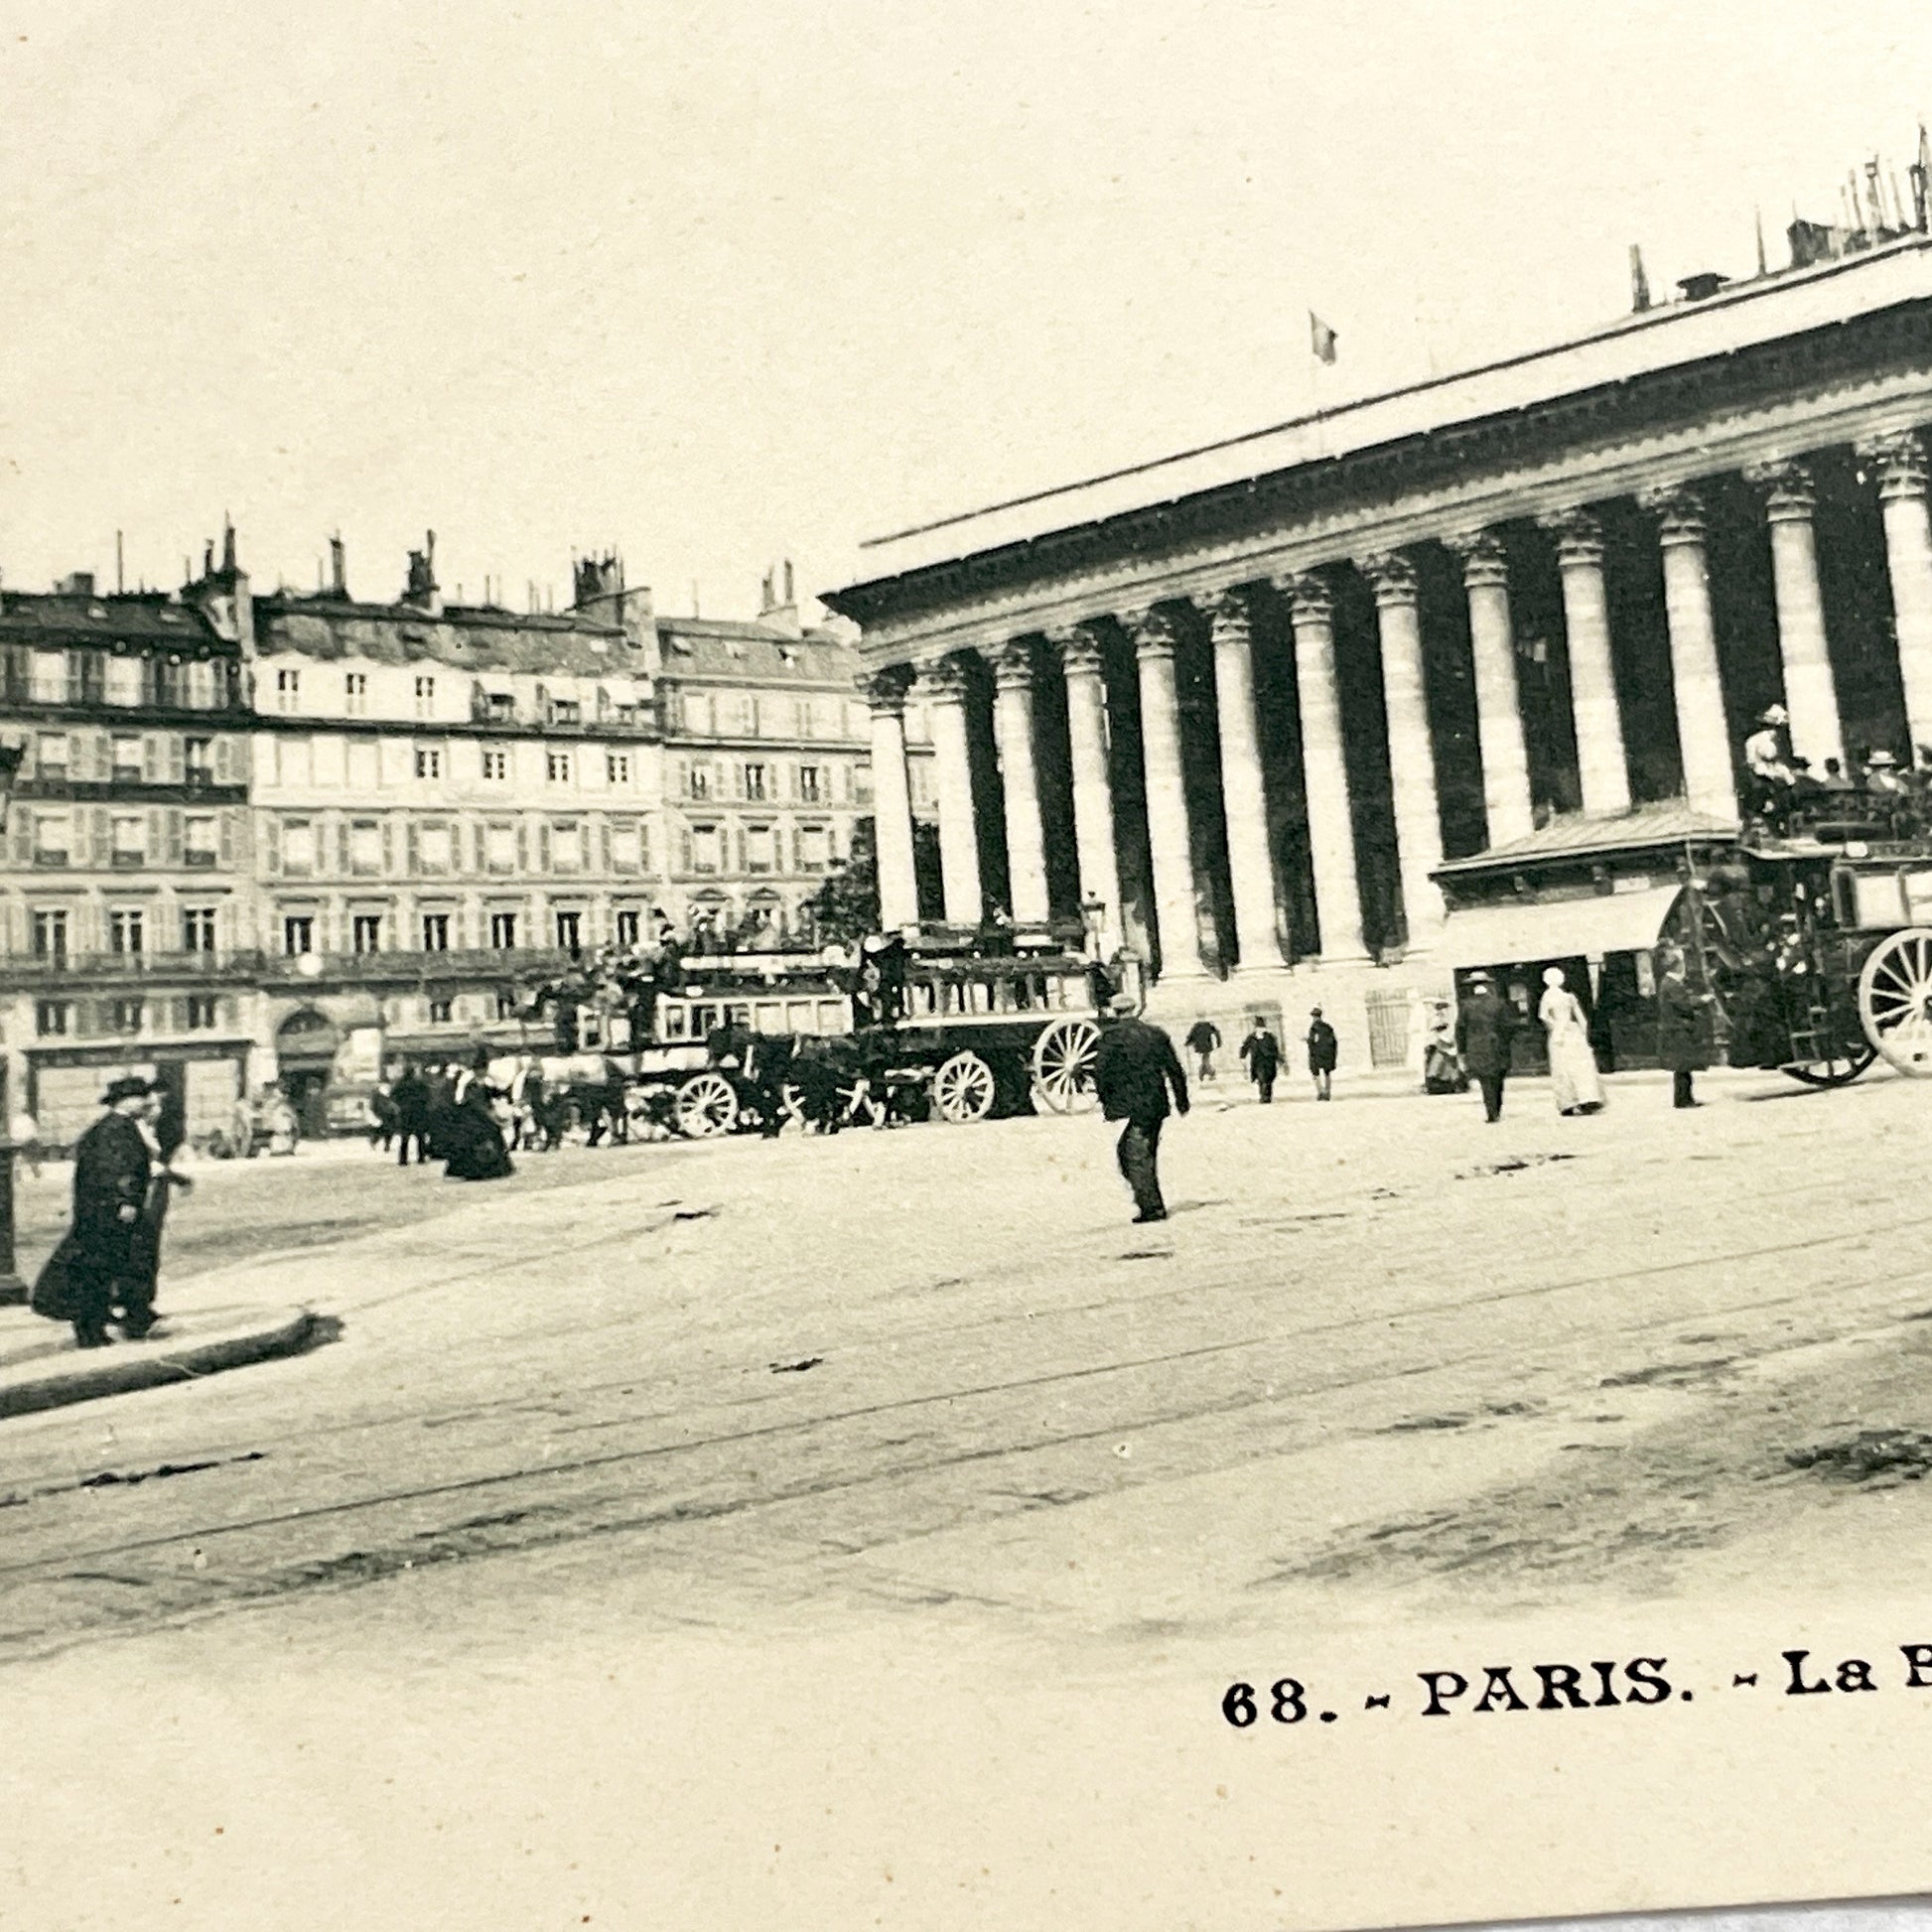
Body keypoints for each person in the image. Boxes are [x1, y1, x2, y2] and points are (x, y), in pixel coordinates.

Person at [30, 1075, 156, 1349]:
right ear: (126, 1100)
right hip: (108, 1215)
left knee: (101, 1269)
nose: (146, 1102)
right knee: (98, 1271)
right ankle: (92, 1331)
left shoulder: (112, 1127)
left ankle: (110, 1322)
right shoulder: (116, 1129)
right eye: (141, 1096)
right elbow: (116, 1170)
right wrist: (127, 1201)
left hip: (98, 1213)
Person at [1092, 991, 1189, 1224]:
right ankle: (1149, 1201)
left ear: (1115, 1012)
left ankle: (1152, 1208)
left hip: (1133, 1105)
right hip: (1156, 1101)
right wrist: (1181, 1100)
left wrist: (1107, 1101)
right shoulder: (1155, 1034)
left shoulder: (1111, 1038)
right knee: (1139, 1152)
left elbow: (1101, 1073)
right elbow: (1174, 1069)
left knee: (1135, 1155)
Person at [1538, 966, 1605, 1116]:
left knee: (1563, 1067)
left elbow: (1543, 1016)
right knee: (1580, 1066)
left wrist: (1555, 1027)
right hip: (1572, 1032)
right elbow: (1582, 1020)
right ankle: (1587, 1097)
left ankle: (1567, 1102)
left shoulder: (1548, 996)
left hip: (1559, 1034)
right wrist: (1583, 1034)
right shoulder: (1568, 997)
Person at [438, 1050, 514, 1181]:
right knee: (475, 1140)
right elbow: (471, 1101)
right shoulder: (468, 1081)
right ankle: (475, 1171)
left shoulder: (483, 1080)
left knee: (493, 1136)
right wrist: (490, 1115)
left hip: (480, 1115)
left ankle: (496, 1169)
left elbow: (493, 1092)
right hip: (470, 1116)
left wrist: (504, 1093)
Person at [1656, 946, 1717, 1109]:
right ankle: (1683, 1100)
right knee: (1683, 1067)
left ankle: (1686, 1098)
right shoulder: (1672, 984)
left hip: (1678, 1030)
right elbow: (1684, 1004)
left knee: (1684, 1067)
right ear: (1677, 965)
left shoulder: (1671, 983)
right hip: (1678, 1031)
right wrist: (1702, 1000)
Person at [1455, 972, 1520, 1124]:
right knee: (1498, 1079)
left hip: (1477, 1047)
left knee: (1485, 1081)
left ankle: (1491, 1112)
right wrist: (1505, 1042)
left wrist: (1462, 1050)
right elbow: (1508, 1027)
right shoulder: (1499, 1003)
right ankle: (1496, 1108)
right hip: (1497, 1046)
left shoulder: (1466, 1006)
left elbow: (1461, 1029)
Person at [391, 1063, 431, 1166]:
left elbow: (393, 1095)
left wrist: (400, 1104)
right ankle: (421, 1157)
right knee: (420, 1136)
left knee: (405, 1137)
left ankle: (403, 1159)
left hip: (405, 1112)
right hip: (418, 1111)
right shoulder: (419, 1083)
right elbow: (427, 1095)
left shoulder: (400, 1084)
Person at [1238, 1016, 1280, 1104]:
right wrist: (1242, 1056)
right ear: (1256, 1028)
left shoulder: (1269, 1037)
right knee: (1261, 1079)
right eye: (1259, 1028)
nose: (1261, 1030)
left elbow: (1275, 1049)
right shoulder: (1251, 1038)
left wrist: (1277, 1058)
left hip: (1269, 1061)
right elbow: (1245, 1047)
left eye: (1262, 1028)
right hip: (1257, 1062)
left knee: (1268, 1080)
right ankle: (1263, 1097)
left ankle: (1267, 1097)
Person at [1306, 1007, 1338, 1101]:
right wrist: (1332, 1054)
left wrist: (1307, 1041)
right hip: (1327, 1054)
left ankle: (1320, 1092)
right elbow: (1334, 1041)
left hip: (1316, 1054)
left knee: (1315, 1073)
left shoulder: (1314, 1028)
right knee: (1327, 1073)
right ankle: (1327, 1092)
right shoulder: (1328, 1027)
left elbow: (1312, 1041)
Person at [1183, 1016, 1220, 1083]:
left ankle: (1205, 1072)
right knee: (1205, 1059)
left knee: (1205, 1059)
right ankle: (1207, 1072)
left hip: (1200, 1046)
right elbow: (1217, 1033)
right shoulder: (1207, 1025)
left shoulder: (1197, 1026)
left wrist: (1187, 1043)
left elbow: (1191, 1036)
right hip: (1206, 1046)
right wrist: (1218, 1043)